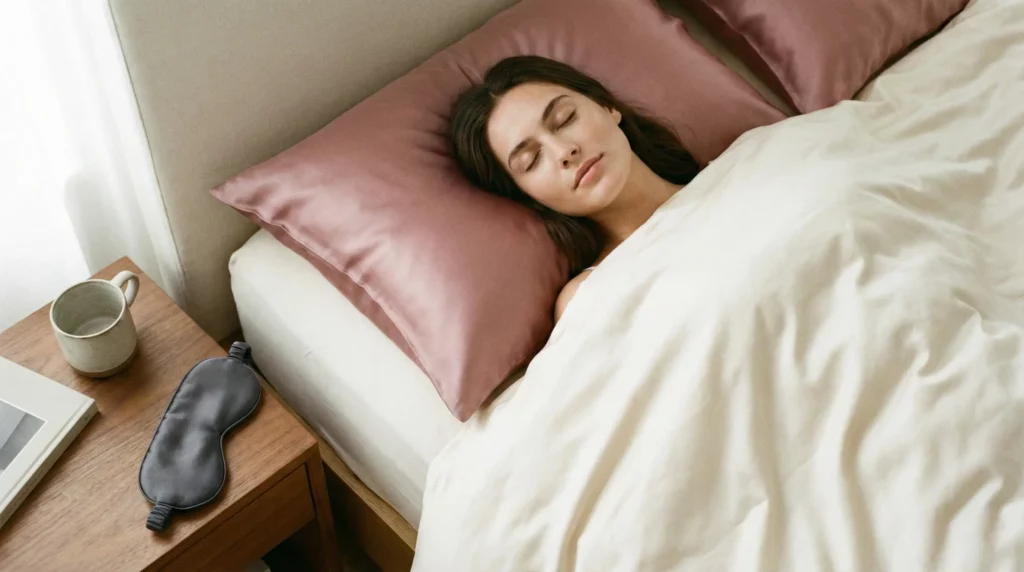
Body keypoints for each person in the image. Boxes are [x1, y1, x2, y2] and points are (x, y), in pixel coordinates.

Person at [450, 55, 700, 322]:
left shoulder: (744, 161)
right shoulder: (587, 300)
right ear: (530, 197)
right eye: (531, 160)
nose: (563, 151)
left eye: (565, 119)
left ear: (607, 106)